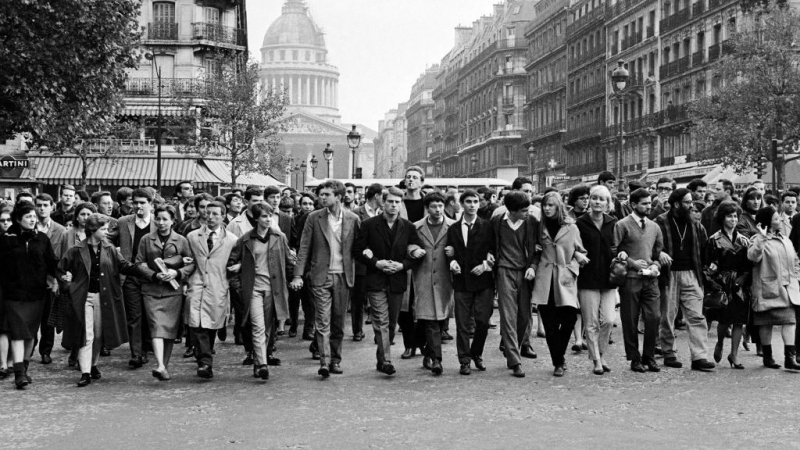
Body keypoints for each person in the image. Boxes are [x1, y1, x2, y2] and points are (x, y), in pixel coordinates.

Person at [60, 214, 139, 387]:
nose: (106, 232)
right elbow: (60, 269)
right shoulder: (76, 250)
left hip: (103, 298)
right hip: (83, 298)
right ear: (93, 230)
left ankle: (93, 364)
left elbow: (124, 266)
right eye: (103, 229)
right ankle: (85, 371)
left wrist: (147, 271)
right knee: (86, 335)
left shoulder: (109, 249)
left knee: (98, 335)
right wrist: (68, 284)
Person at [290, 180, 359, 378]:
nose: (321, 197)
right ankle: (324, 361)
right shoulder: (314, 218)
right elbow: (304, 248)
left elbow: (358, 248)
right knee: (322, 321)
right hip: (321, 276)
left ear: (338, 196)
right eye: (320, 194)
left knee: (338, 322)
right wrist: (298, 275)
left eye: (326, 194)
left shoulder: (353, 219)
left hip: (343, 277)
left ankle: (335, 360)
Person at [354, 186, 421, 376]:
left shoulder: (408, 227)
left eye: (397, 202)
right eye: (390, 201)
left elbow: (416, 252)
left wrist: (402, 266)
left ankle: (381, 357)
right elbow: (357, 251)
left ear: (401, 205)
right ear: (383, 203)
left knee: (391, 323)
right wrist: (376, 263)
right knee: (380, 321)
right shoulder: (369, 225)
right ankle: (387, 361)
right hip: (375, 280)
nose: (393, 205)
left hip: (398, 281)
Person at [228, 203, 294, 380]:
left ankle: (260, 359)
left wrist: (294, 279)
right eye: (264, 216)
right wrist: (239, 288)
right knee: (257, 326)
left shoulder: (279, 237)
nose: (268, 219)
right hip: (253, 289)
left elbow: (289, 262)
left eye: (270, 215)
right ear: (256, 218)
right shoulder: (245, 239)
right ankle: (261, 364)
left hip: (273, 290)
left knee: (268, 326)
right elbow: (232, 265)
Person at [654, 188, 716, 371]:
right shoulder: (660, 222)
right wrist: (659, 252)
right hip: (669, 274)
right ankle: (669, 352)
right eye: (688, 202)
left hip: (692, 274)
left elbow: (706, 247)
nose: (691, 206)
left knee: (697, 316)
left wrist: (711, 263)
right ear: (676, 204)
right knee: (667, 316)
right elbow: (649, 244)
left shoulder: (695, 224)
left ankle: (700, 357)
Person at [0, 201, 59, 388]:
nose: (33, 219)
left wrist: (62, 275)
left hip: (37, 293)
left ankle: (24, 367)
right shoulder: (7, 239)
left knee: (30, 334)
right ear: (18, 219)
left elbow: (52, 262)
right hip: (14, 294)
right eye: (29, 217)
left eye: (34, 216)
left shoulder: (42, 239)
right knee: (18, 332)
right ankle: (19, 374)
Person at [135, 205, 195, 381]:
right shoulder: (146, 239)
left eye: (165, 219)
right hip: (151, 290)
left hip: (172, 291)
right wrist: (154, 275)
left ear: (173, 221)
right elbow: (139, 263)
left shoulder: (182, 240)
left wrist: (177, 273)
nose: (161, 223)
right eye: (158, 219)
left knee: (169, 330)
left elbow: (191, 264)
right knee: (156, 327)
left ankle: (164, 366)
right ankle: (160, 364)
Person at [532, 192, 588, 377]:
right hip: (545, 277)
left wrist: (572, 266)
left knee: (570, 318)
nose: (547, 208)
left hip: (565, 278)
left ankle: (559, 356)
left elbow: (580, 251)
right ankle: (558, 362)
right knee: (549, 323)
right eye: (545, 205)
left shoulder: (571, 227)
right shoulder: (538, 227)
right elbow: (532, 249)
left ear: (558, 206)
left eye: (551, 205)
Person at [613, 188, 664, 373]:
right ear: (633, 205)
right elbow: (614, 250)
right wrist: (633, 263)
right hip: (630, 279)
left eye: (650, 203)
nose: (649, 206)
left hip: (650, 280)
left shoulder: (654, 227)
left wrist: (656, 266)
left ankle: (649, 356)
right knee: (630, 319)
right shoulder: (622, 225)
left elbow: (659, 253)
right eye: (644, 203)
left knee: (654, 317)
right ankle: (634, 358)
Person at [185, 201, 238, 379]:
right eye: (208, 213)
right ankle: (205, 363)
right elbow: (188, 259)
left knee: (211, 325)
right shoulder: (193, 236)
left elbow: (236, 261)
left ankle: (205, 356)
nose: (210, 217)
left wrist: (236, 268)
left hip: (218, 286)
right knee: (198, 325)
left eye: (215, 214)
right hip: (197, 284)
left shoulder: (231, 240)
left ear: (223, 216)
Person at [490, 191, 540, 378]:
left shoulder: (532, 222)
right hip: (504, 271)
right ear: (512, 210)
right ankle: (514, 360)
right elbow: (490, 244)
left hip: (525, 273)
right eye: (524, 210)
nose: (528, 212)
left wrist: (533, 266)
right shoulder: (497, 222)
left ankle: (513, 346)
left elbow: (538, 249)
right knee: (508, 316)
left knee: (524, 317)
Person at [446, 189, 495, 375]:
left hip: (483, 281)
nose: (472, 205)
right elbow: (449, 253)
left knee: (482, 322)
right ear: (462, 204)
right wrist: (452, 263)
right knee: (463, 323)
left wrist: (485, 265)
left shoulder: (487, 226)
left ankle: (476, 353)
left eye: (475, 201)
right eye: (468, 201)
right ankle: (464, 360)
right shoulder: (454, 229)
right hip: (461, 282)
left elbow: (494, 250)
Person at [407, 192, 455, 376]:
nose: (438, 210)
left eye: (440, 206)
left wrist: (454, 250)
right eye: (434, 206)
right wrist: (414, 250)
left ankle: (426, 349)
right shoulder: (416, 227)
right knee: (430, 319)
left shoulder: (453, 226)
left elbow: (463, 246)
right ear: (427, 208)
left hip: (445, 278)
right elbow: (407, 245)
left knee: (441, 318)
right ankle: (437, 360)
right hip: (424, 277)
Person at [747, 206, 800, 371]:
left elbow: (795, 261)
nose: (780, 221)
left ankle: (789, 359)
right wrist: (762, 238)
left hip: (788, 289)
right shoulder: (757, 239)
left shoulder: (785, 239)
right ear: (767, 222)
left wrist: (796, 279)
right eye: (776, 218)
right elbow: (753, 257)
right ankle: (768, 357)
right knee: (766, 323)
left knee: (790, 321)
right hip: (767, 289)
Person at [113, 188, 156, 369]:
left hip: (152, 276)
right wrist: (118, 257)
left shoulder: (158, 222)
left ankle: (147, 346)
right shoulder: (123, 222)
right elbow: (109, 239)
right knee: (134, 315)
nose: (138, 206)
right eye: (135, 202)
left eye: (142, 203)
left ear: (150, 204)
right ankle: (137, 354)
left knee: (149, 314)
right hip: (130, 275)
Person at [576, 185, 617, 375]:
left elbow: (618, 245)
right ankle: (596, 360)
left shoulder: (613, 222)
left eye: (602, 199)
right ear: (589, 201)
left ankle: (600, 352)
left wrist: (621, 254)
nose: (597, 202)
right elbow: (571, 245)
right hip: (588, 276)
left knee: (608, 319)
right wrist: (577, 254)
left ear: (608, 203)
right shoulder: (579, 223)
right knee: (591, 322)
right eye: (594, 198)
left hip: (609, 277)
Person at [704, 201, 751, 369]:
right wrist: (715, 284)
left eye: (735, 216)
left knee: (739, 320)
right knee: (724, 319)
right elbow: (709, 265)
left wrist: (743, 279)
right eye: (729, 216)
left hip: (740, 283)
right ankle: (720, 342)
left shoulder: (744, 240)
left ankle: (734, 354)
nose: (733, 219)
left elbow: (748, 265)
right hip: (723, 282)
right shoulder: (714, 240)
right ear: (722, 218)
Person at [226, 187, 267, 365]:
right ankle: (250, 350)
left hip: (264, 277)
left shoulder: (269, 220)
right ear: (246, 202)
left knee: (264, 318)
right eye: (255, 201)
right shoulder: (236, 223)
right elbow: (232, 253)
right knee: (245, 316)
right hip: (243, 278)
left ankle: (265, 351)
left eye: (261, 200)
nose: (258, 204)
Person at [33, 194, 67, 365]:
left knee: (48, 319)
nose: (41, 208)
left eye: (45, 205)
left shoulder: (60, 231)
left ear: (52, 206)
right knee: (31, 316)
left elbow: (61, 258)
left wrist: (57, 281)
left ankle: (46, 351)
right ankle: (29, 347)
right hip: (31, 281)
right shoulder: (29, 227)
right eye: (38, 205)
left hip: (50, 280)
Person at [351, 183, 384, 341]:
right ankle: (357, 330)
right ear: (377, 196)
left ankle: (380, 332)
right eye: (383, 196)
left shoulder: (383, 213)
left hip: (378, 264)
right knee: (358, 299)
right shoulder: (356, 214)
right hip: (361, 265)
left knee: (378, 299)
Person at [566, 184, 591, 353]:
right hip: (573, 263)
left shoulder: (592, 217)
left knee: (587, 303)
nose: (586, 201)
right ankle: (578, 339)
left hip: (589, 262)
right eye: (583, 198)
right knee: (575, 303)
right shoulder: (567, 217)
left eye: (587, 198)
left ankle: (585, 336)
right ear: (574, 200)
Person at [0, 206, 14, 380]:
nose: (5, 224)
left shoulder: (19, 240)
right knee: (3, 327)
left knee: (14, 327)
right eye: (2, 220)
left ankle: (12, 361)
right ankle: (3, 363)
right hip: (2, 289)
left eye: (9, 220)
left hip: (17, 288)